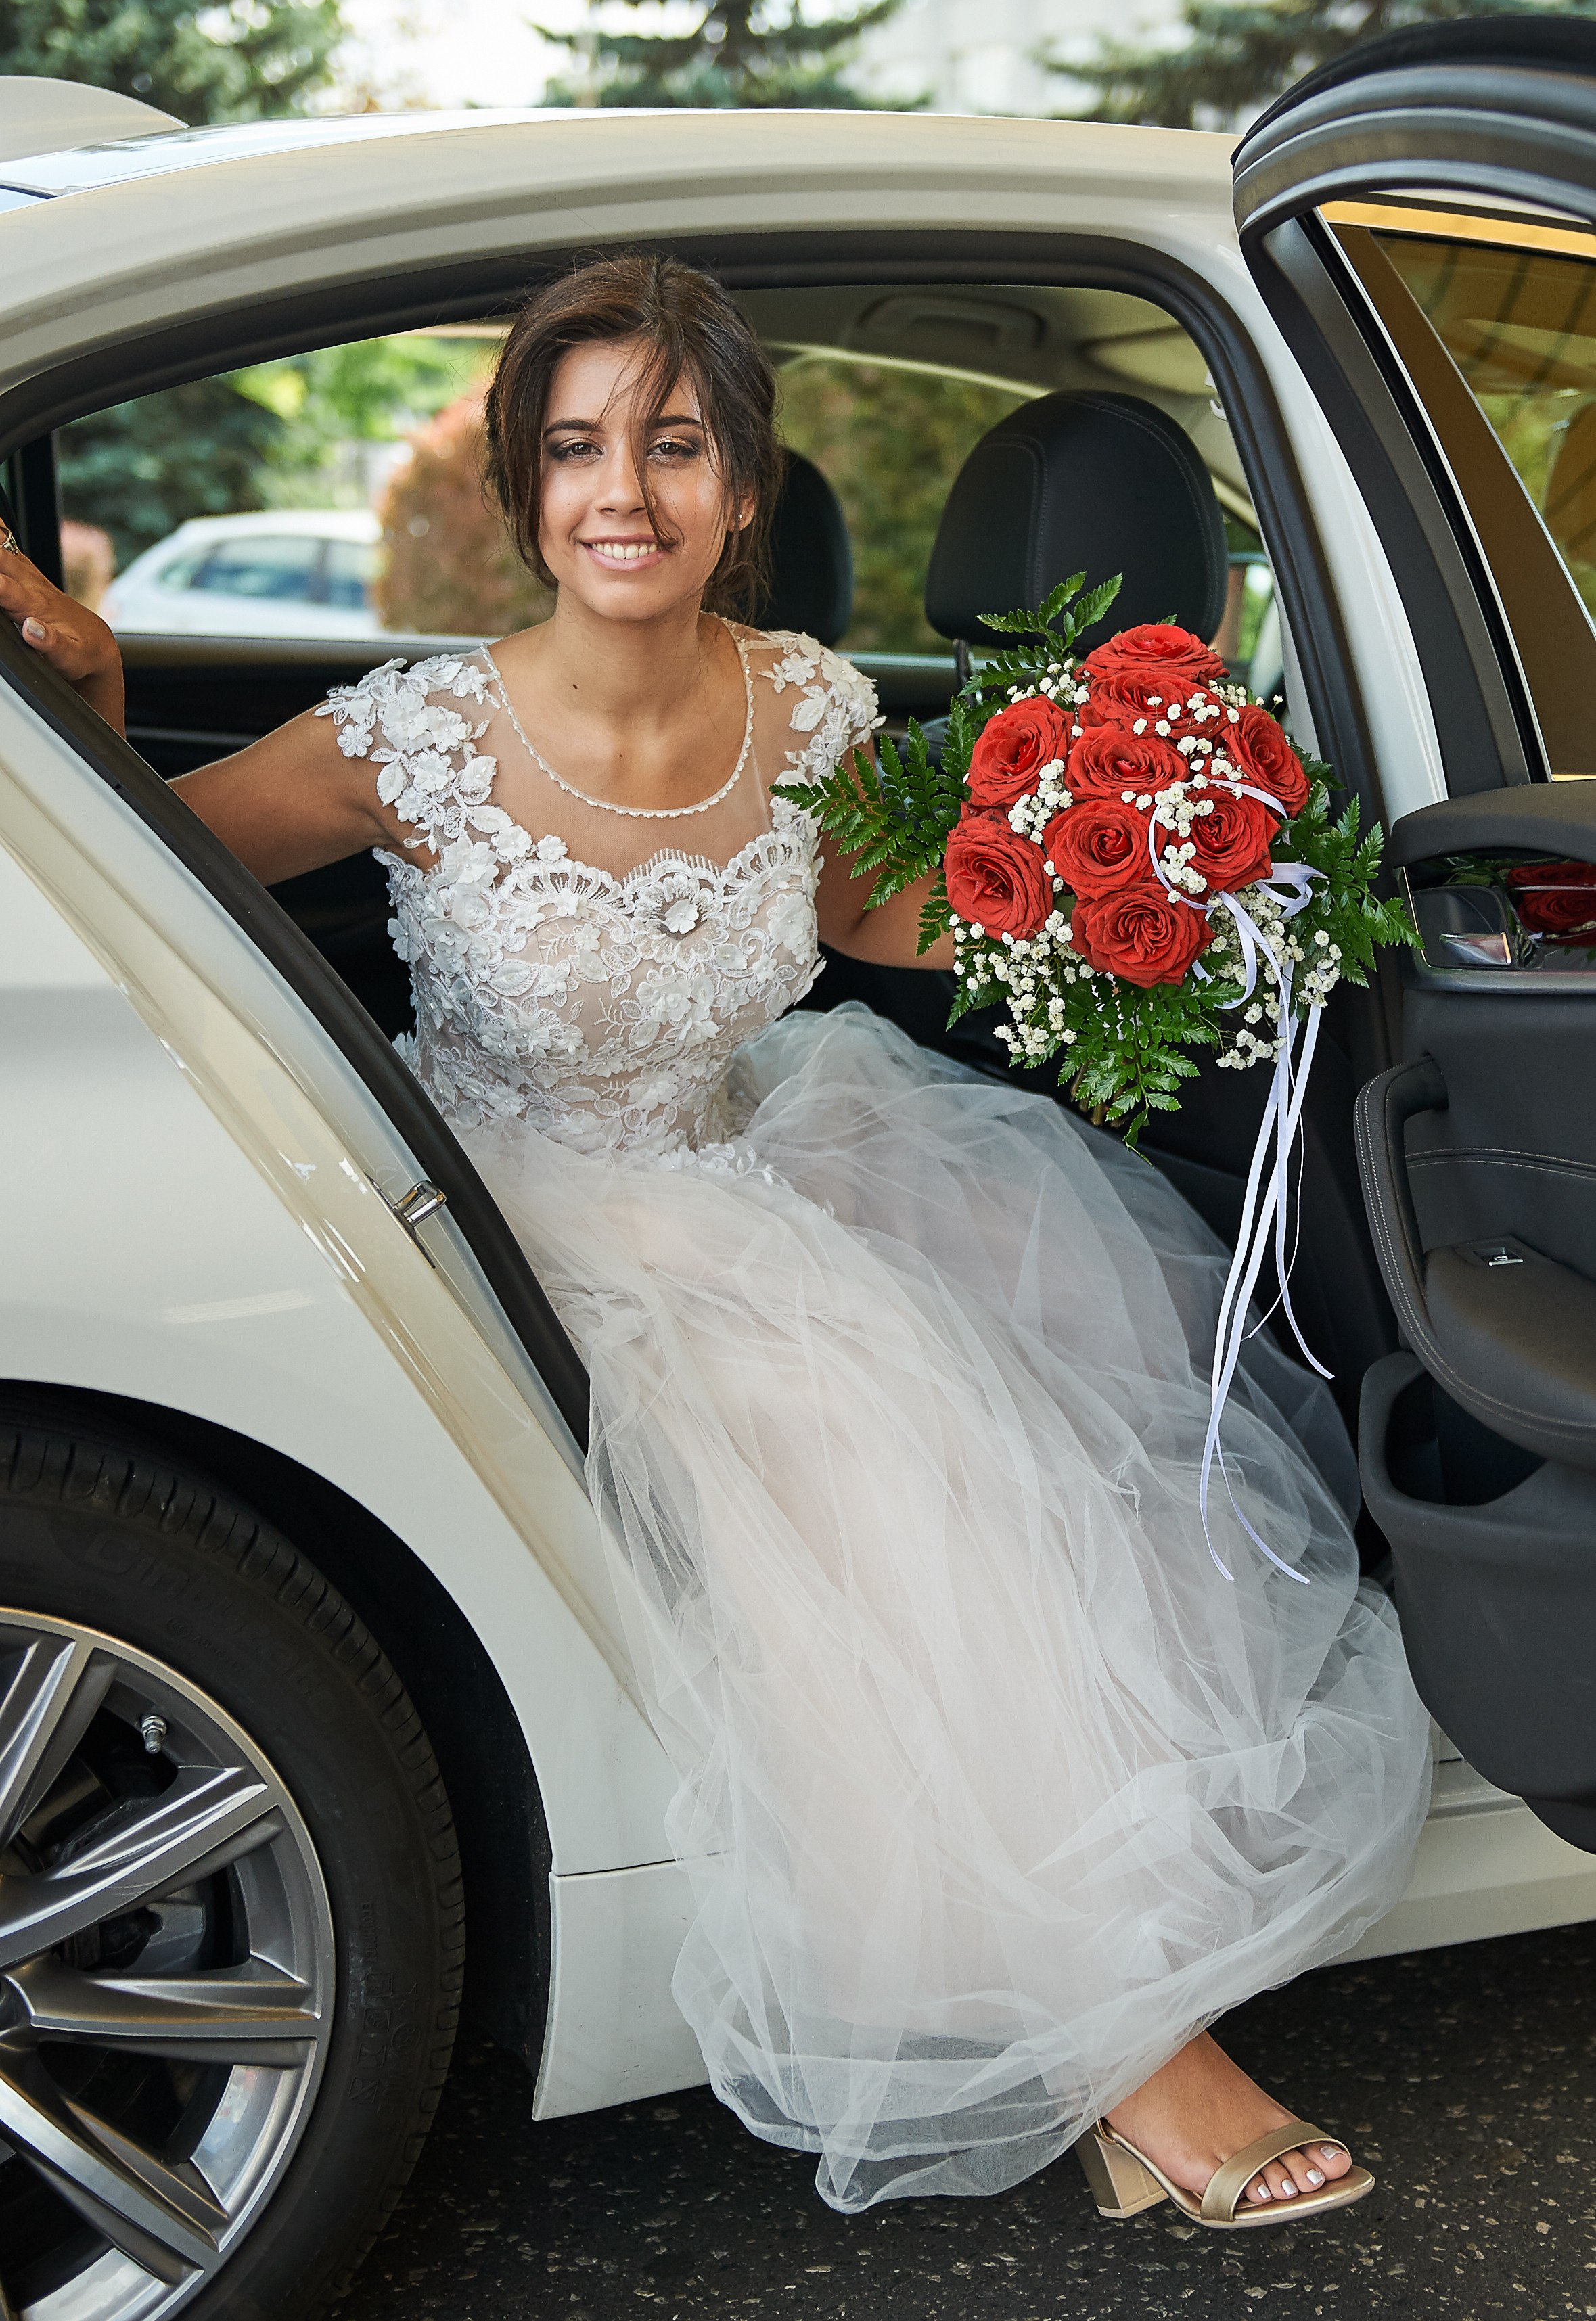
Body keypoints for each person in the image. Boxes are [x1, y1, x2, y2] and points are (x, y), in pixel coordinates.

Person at [1, 251, 1430, 2228]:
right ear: (524, 489)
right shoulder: (408, 739)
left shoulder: (818, 704)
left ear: (744, 487)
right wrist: (91, 709)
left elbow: (863, 926)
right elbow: (146, 886)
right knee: (845, 1452)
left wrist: (1119, 880)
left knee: (983, 1461)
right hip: (508, 1202)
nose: (624, 491)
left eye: (674, 444)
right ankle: (1139, 2056)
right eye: (577, 446)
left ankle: (1113, 2019)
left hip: (762, 1161)